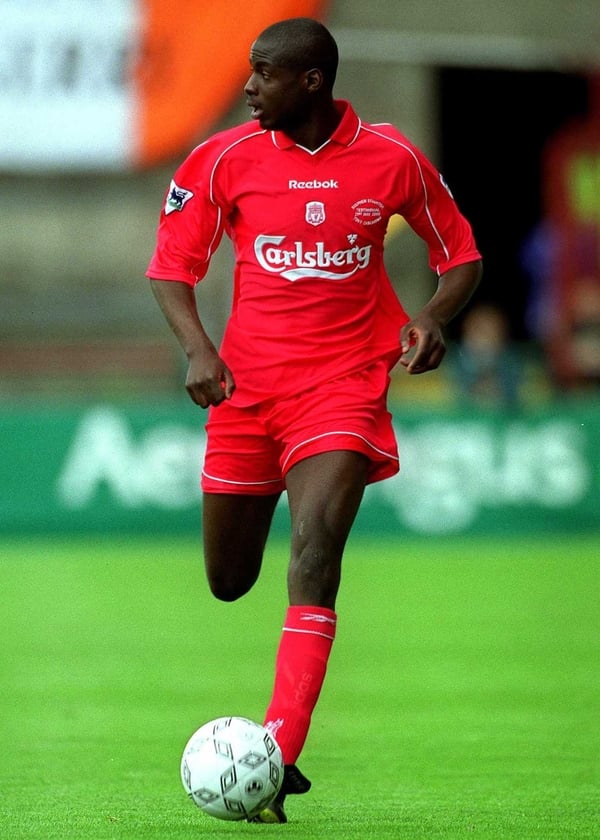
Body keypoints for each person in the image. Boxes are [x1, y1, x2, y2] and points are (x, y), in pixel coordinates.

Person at [146, 17, 482, 823]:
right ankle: (273, 748)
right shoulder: (223, 158)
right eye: (249, 71)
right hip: (244, 392)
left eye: (263, 73)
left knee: (315, 555)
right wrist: (197, 349)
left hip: (343, 388)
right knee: (230, 582)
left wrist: (435, 315)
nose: (249, 85)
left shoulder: (393, 158)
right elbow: (170, 267)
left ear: (311, 82)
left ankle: (276, 755)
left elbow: (461, 256)